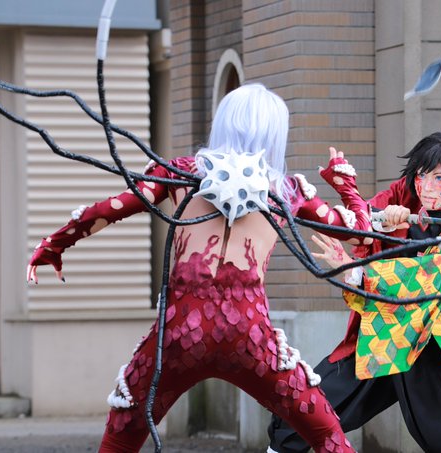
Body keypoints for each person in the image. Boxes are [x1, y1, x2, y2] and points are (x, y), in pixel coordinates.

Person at [27, 83, 371, 453]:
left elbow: (111, 208)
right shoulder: (286, 191)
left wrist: (54, 244)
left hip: (179, 337)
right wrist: (344, 182)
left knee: (118, 442)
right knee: (327, 436)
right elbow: (360, 232)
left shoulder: (180, 173)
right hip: (251, 338)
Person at [268, 132, 441, 452]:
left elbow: (423, 278)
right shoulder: (405, 196)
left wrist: (354, 269)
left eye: (440, 178)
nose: (427, 185)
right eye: (422, 175)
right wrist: (353, 195)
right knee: (304, 409)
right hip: (382, 337)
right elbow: (359, 225)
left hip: (428, 343)